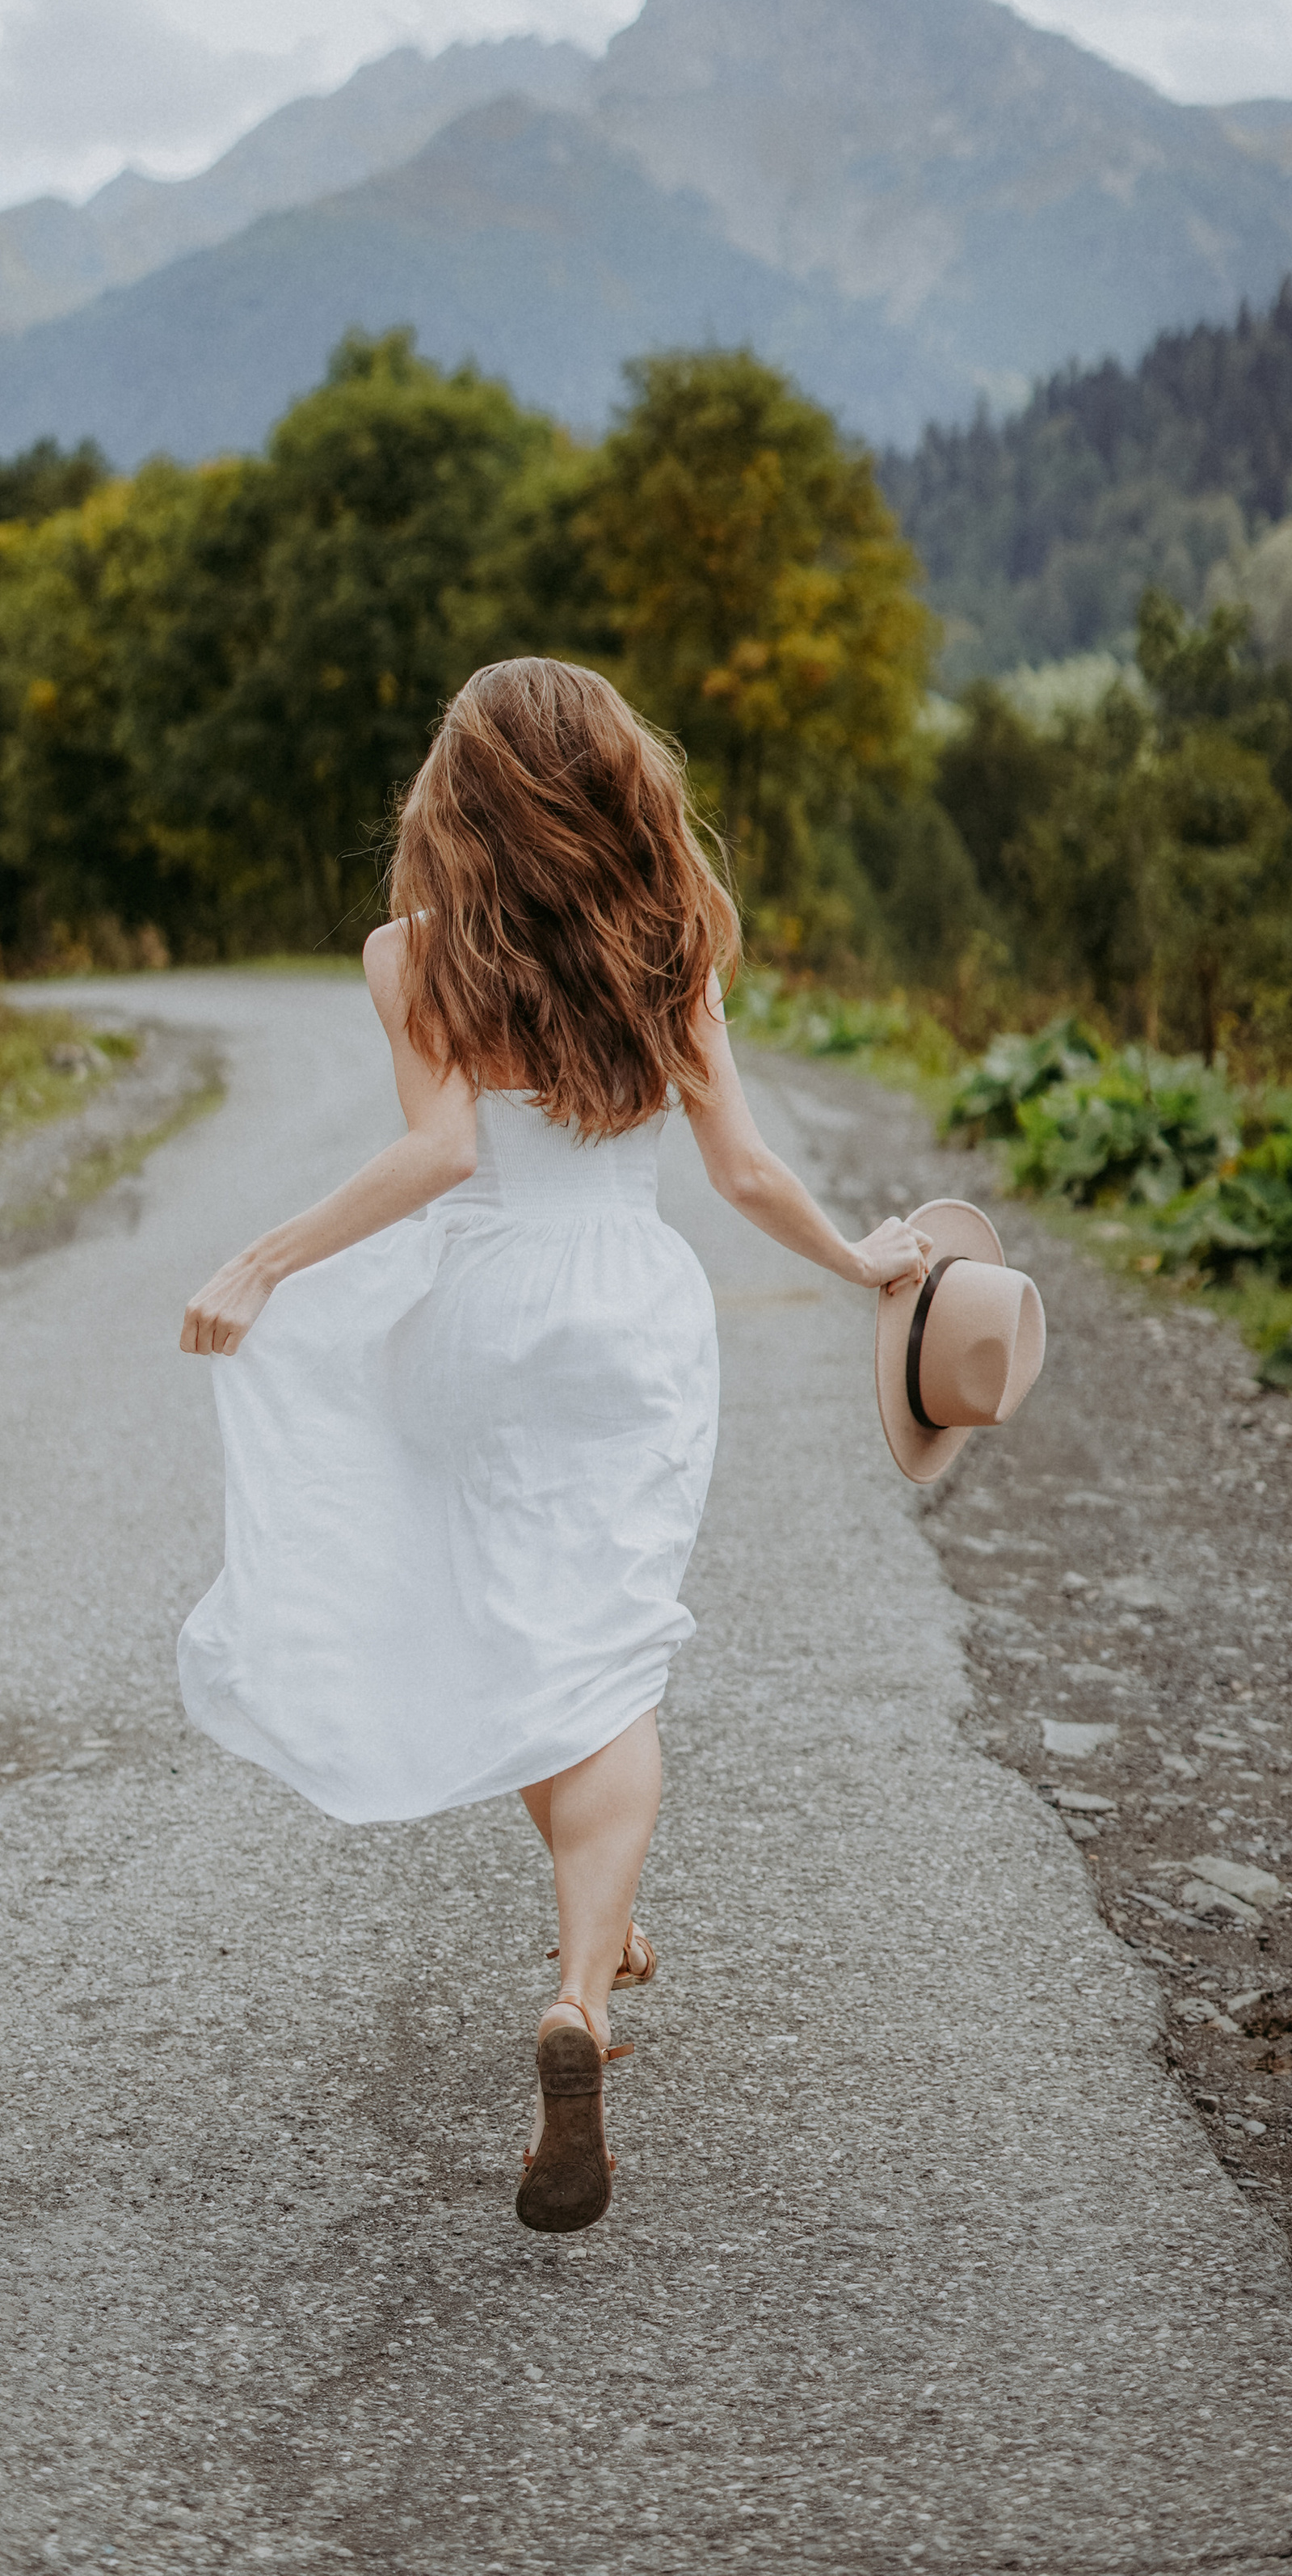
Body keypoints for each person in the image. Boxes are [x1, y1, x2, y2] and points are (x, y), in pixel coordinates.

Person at [178, 658, 931, 2233]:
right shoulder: (671, 945)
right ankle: (581, 1996)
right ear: (616, 785)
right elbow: (736, 1172)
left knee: (509, 1617)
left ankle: (594, 1923)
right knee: (606, 1651)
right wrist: (860, 1262)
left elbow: (438, 1154)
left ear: (455, 803)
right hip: (630, 1322)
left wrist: (263, 1261)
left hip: (478, 1309)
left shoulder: (412, 956)